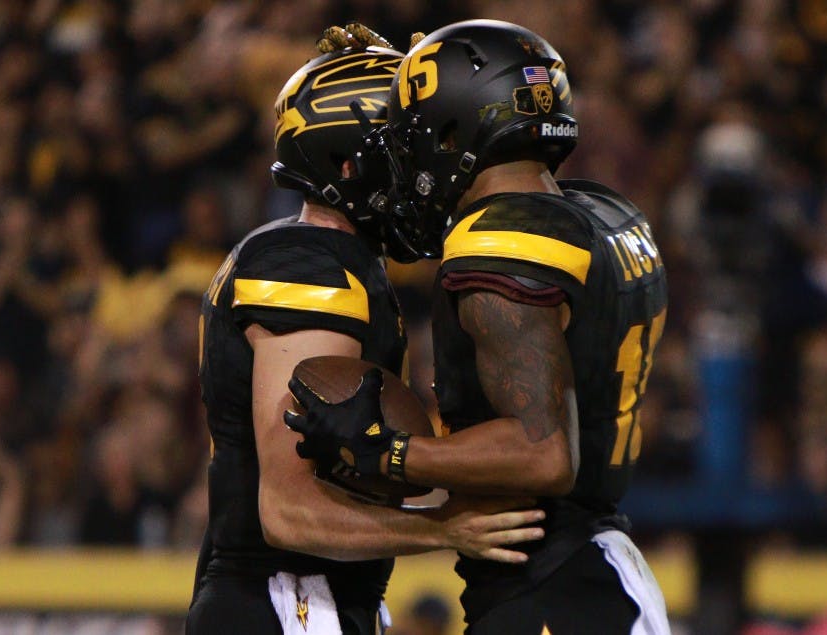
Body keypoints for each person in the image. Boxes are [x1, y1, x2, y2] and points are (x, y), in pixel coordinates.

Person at [286, 20, 671, 634]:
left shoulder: (500, 240)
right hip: (596, 569)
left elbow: (542, 453)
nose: (406, 158)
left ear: (453, 129)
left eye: (413, 137)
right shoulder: (604, 213)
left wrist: (392, 454)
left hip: (553, 583)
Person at [186, 25, 546, 635]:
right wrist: (442, 529)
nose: (424, 172)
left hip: (301, 599)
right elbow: (289, 510)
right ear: (351, 164)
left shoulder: (326, 259)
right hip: (288, 602)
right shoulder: (308, 265)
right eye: (406, 153)